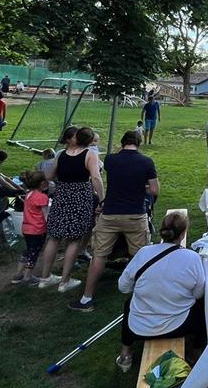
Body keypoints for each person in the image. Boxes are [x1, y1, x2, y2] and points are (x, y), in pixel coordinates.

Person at [68, 129, 159, 311]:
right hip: (135, 214)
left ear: (123, 142)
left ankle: (87, 298)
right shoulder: (146, 162)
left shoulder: (110, 160)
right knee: (139, 256)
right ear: (139, 143)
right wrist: (142, 187)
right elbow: (155, 190)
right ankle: (142, 299)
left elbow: (118, 178)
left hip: (110, 214)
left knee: (99, 255)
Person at [115, 210, 207, 372]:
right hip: (177, 326)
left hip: (139, 327)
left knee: (129, 303)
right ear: (183, 234)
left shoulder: (144, 253)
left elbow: (123, 287)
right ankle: (196, 352)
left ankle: (126, 353)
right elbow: (198, 294)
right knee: (202, 306)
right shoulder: (192, 258)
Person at [35, 126, 104, 293]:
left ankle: (45, 278)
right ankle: (64, 282)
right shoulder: (90, 155)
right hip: (80, 197)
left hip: (61, 196)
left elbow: (50, 176)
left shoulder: (61, 155)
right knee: (74, 239)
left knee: (54, 237)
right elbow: (95, 177)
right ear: (88, 141)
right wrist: (102, 198)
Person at [11, 172, 50, 285]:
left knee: (27, 251)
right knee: (33, 253)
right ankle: (28, 277)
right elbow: (45, 215)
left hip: (26, 228)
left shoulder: (29, 194)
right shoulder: (42, 197)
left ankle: (18, 274)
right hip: (37, 230)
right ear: (43, 183)